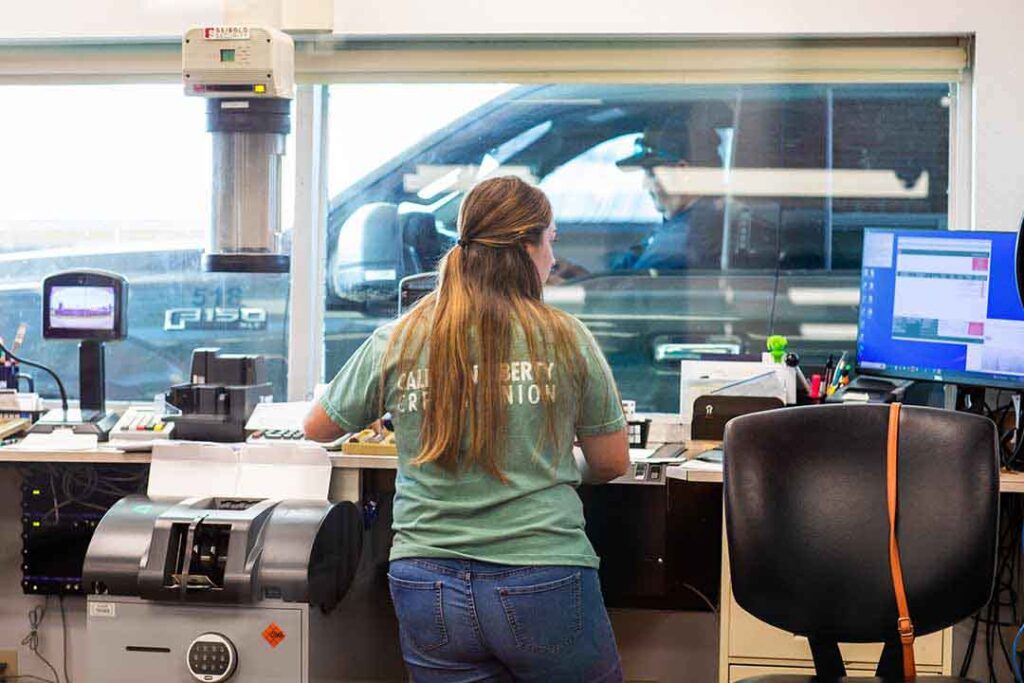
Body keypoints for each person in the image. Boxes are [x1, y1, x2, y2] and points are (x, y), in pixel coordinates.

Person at [304, 175, 630, 682]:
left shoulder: (401, 336)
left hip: (425, 579)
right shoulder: (567, 338)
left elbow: (317, 427)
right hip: (541, 572)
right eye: (551, 241)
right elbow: (611, 463)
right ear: (527, 246)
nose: (552, 257)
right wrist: (555, 462)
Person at [614, 103, 732, 270]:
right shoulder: (687, 225)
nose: (644, 185)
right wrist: (584, 279)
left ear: (682, 172)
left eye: (651, 174)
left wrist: (580, 290)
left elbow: (631, 293)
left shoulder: (679, 241)